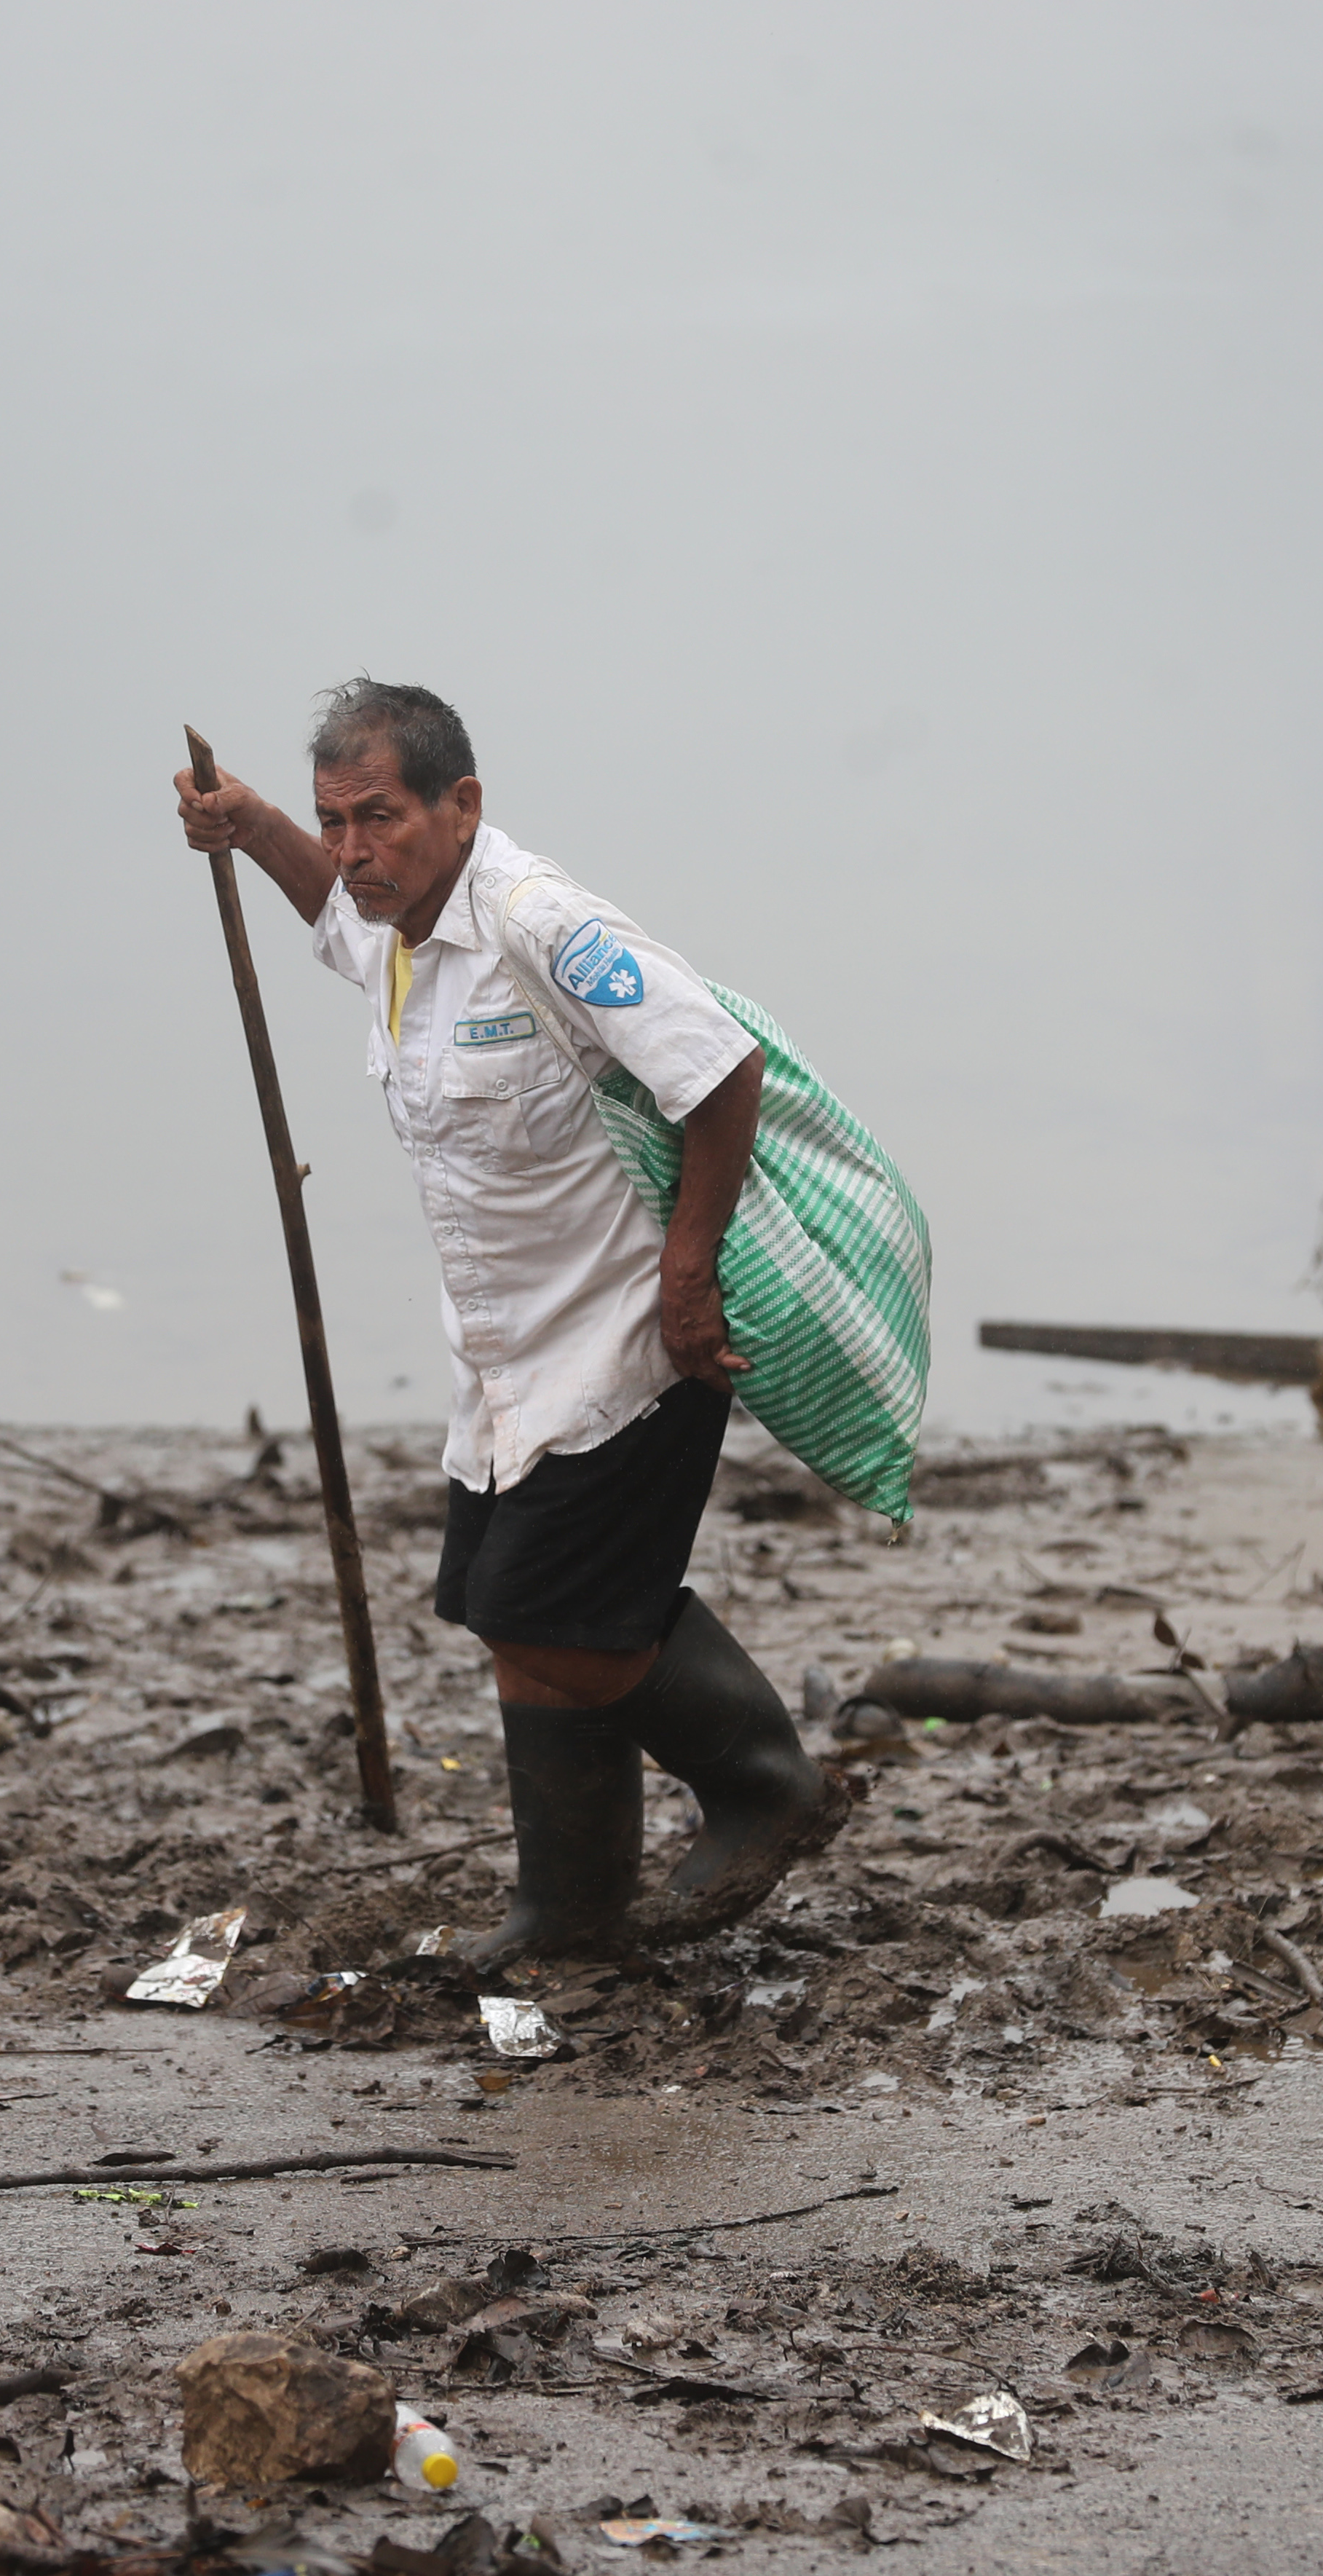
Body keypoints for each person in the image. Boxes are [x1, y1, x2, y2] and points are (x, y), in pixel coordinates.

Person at [174, 680, 849, 1962]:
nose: (356, 850)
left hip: (631, 1337)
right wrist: (256, 822)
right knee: (506, 1609)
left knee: (552, 1611)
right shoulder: (388, 919)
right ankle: (573, 1912)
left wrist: (691, 1278)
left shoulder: (544, 925)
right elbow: (331, 907)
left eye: (380, 818)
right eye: (338, 819)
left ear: (462, 805)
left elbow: (717, 1069)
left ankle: (767, 1781)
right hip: (502, 1352)